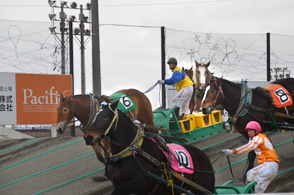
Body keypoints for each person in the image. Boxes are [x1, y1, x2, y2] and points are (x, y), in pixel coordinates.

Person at [222, 121, 280, 194]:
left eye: (250, 131)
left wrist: (232, 152)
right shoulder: (257, 138)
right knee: (257, 191)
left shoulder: (259, 138)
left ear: (256, 131)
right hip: (270, 166)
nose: (248, 133)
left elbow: (248, 147)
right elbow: (248, 145)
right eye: (248, 131)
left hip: (270, 165)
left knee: (250, 173)